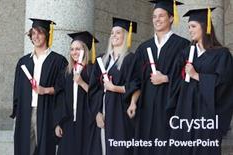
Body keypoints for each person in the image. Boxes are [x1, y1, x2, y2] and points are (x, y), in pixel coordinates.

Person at [167, 7, 233, 155]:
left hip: (207, 116)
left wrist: (197, 76)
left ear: (205, 26)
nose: (189, 30)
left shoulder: (222, 54)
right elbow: (175, 83)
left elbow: (225, 85)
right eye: (189, 27)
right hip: (185, 114)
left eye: (193, 26)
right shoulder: (184, 54)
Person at [131, 1, 190, 155]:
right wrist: (133, 102)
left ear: (171, 18)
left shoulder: (183, 45)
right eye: (154, 16)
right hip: (146, 107)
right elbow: (135, 78)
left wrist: (167, 78)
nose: (157, 19)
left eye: (161, 16)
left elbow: (189, 76)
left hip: (170, 107)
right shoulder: (144, 47)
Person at [10, 18, 68, 155]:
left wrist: (45, 90)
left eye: (40, 33)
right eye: (33, 33)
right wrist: (17, 112)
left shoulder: (58, 61)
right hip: (25, 112)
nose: (36, 36)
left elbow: (63, 89)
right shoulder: (23, 62)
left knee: (45, 149)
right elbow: (17, 90)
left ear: (47, 34)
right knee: (25, 149)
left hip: (47, 111)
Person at [88, 17, 138, 155]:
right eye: (112, 33)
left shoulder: (131, 59)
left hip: (120, 111)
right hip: (102, 110)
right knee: (102, 147)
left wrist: (114, 88)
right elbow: (93, 89)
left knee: (119, 147)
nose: (114, 36)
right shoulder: (102, 59)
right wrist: (97, 113)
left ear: (126, 36)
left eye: (118, 33)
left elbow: (136, 84)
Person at [54, 31, 99, 155]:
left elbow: (98, 94)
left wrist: (82, 83)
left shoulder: (92, 70)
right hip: (68, 122)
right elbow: (59, 99)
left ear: (85, 50)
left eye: (78, 49)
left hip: (87, 121)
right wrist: (58, 123)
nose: (74, 52)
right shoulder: (66, 72)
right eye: (72, 49)